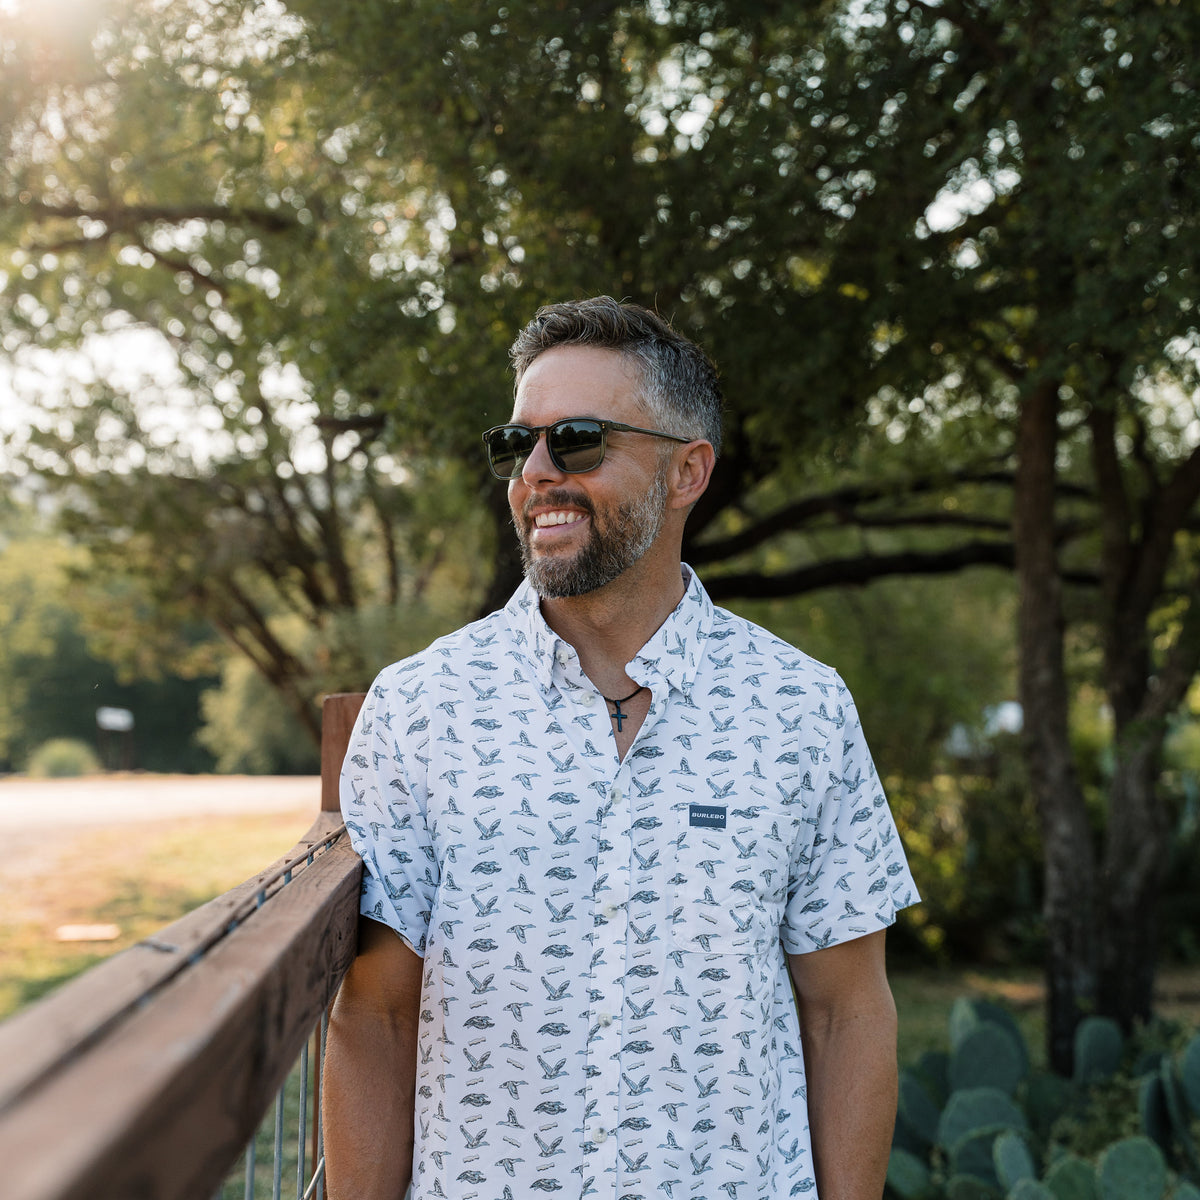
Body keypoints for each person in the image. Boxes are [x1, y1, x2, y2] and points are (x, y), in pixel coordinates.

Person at [324, 296, 918, 1200]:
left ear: (687, 472)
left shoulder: (802, 709)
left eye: (580, 440)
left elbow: (848, 1012)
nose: (536, 473)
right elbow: (375, 1018)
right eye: (517, 445)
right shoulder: (420, 711)